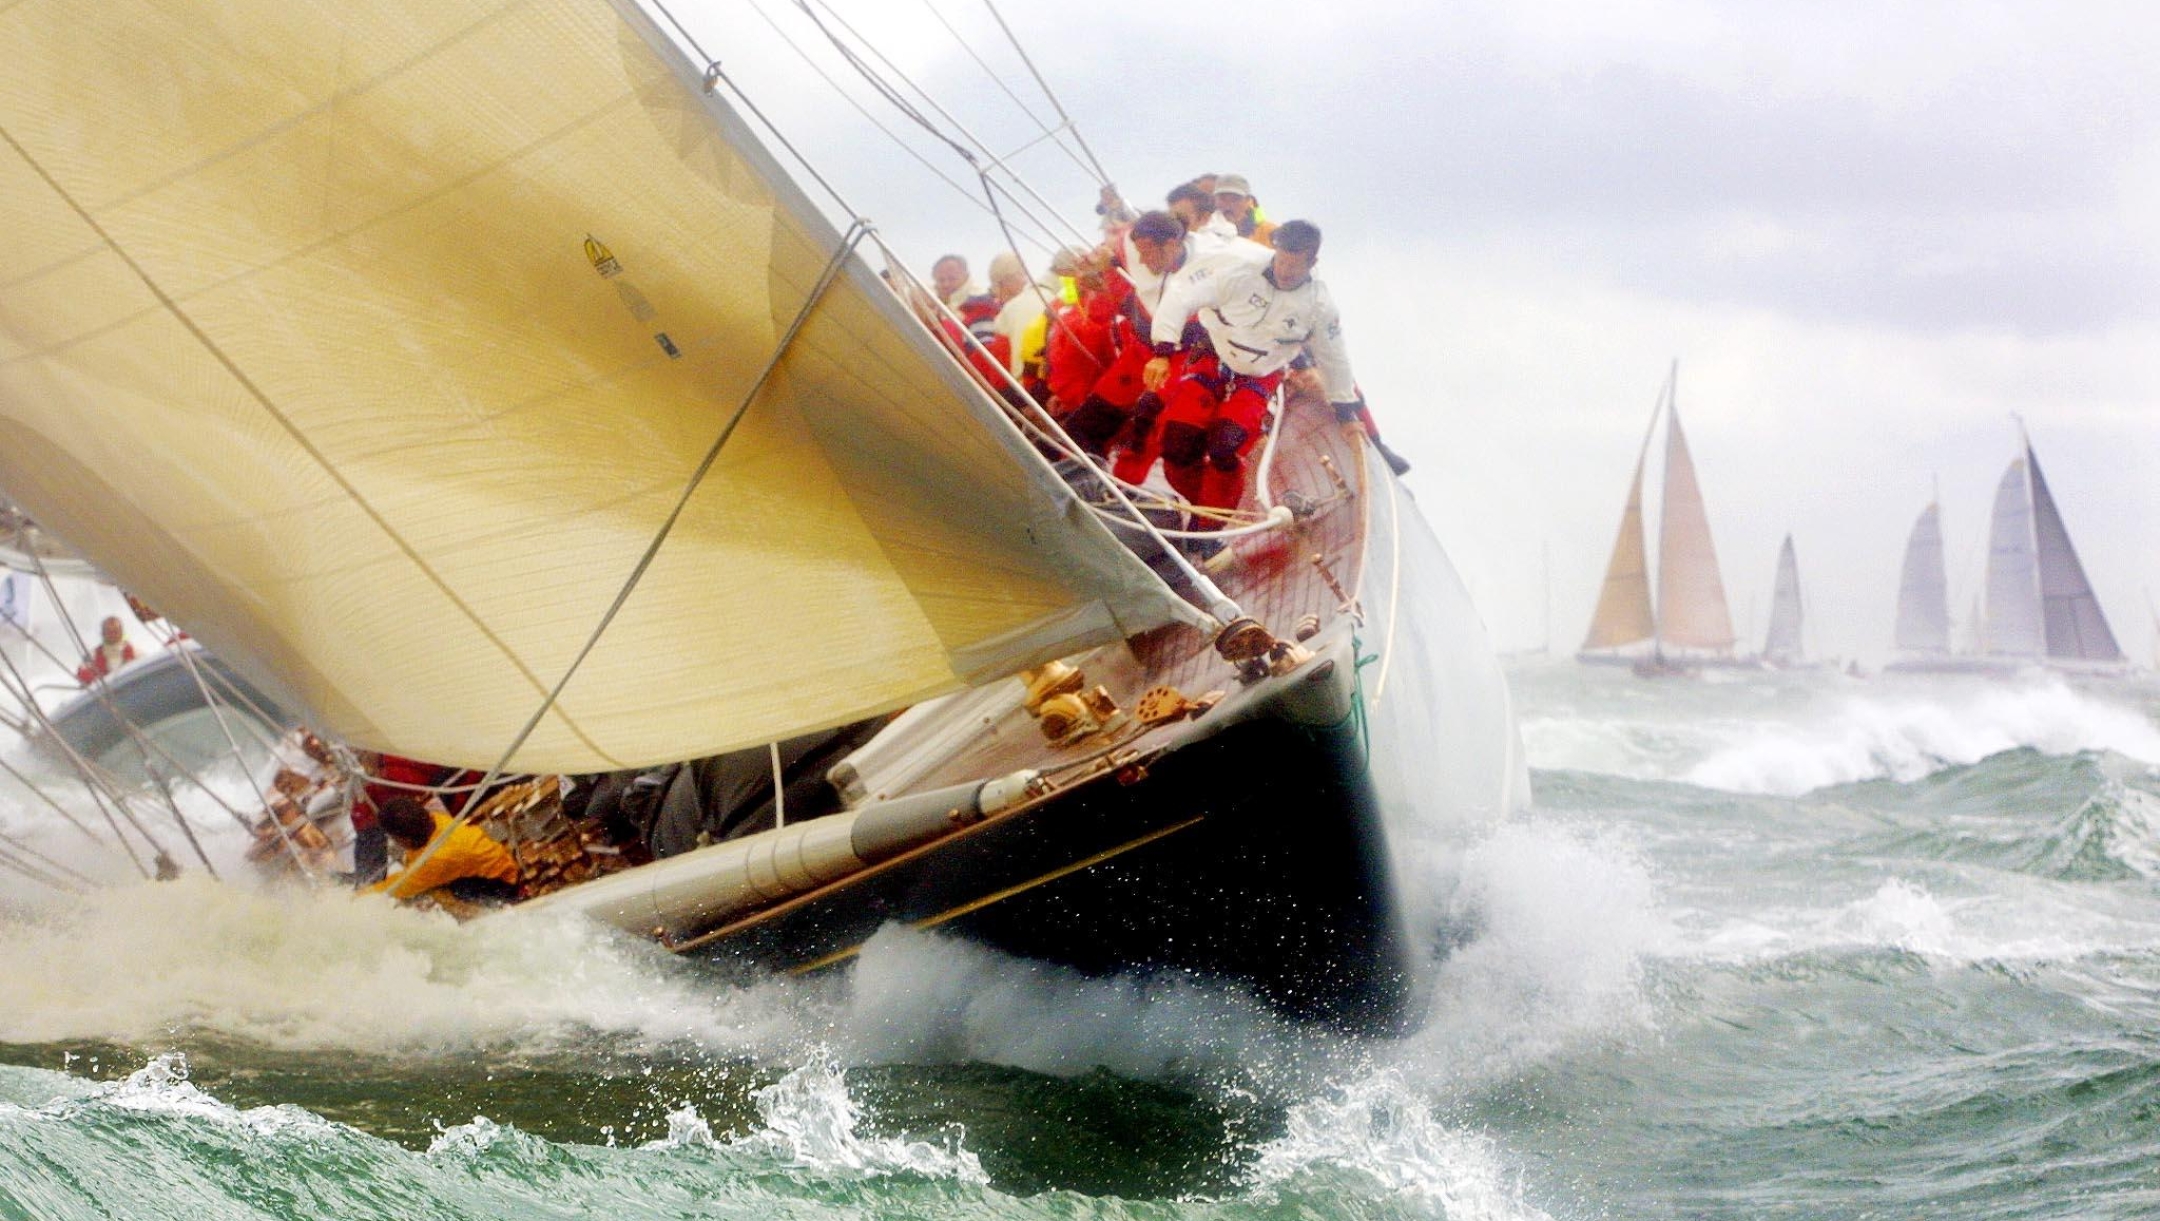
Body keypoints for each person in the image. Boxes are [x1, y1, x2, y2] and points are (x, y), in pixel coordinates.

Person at [1144, 220, 1365, 533]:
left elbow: (1335, 356)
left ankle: (1208, 528)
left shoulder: (1319, 306)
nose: (1284, 270)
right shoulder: (1238, 266)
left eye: (1294, 264)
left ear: (1312, 263)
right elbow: (1183, 293)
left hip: (1260, 374)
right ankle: (1202, 506)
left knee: (1225, 446)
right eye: (1281, 259)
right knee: (1177, 444)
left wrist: (1346, 412)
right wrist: (1163, 349)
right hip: (1214, 355)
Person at [363, 796, 520, 905]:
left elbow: (400, 886)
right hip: (497, 869)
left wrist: (359, 896)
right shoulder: (435, 820)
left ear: (405, 839)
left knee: (432, 896)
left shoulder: (437, 858)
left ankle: (478, 915)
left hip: (502, 885)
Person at [1166, 181, 1238, 246]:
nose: (1173, 223)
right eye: (1170, 218)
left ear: (1204, 218)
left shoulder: (1216, 247)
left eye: (1180, 218)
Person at [1213, 174, 1277, 245]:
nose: (1228, 204)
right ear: (1214, 200)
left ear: (1248, 200)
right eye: (1222, 198)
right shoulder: (1202, 228)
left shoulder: (1269, 232)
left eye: (1235, 199)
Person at [74, 615, 138, 685]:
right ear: (103, 633)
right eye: (109, 631)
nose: (113, 634)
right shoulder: (93, 654)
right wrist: (95, 680)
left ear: (121, 632)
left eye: (115, 631)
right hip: (104, 691)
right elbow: (81, 672)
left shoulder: (135, 651)